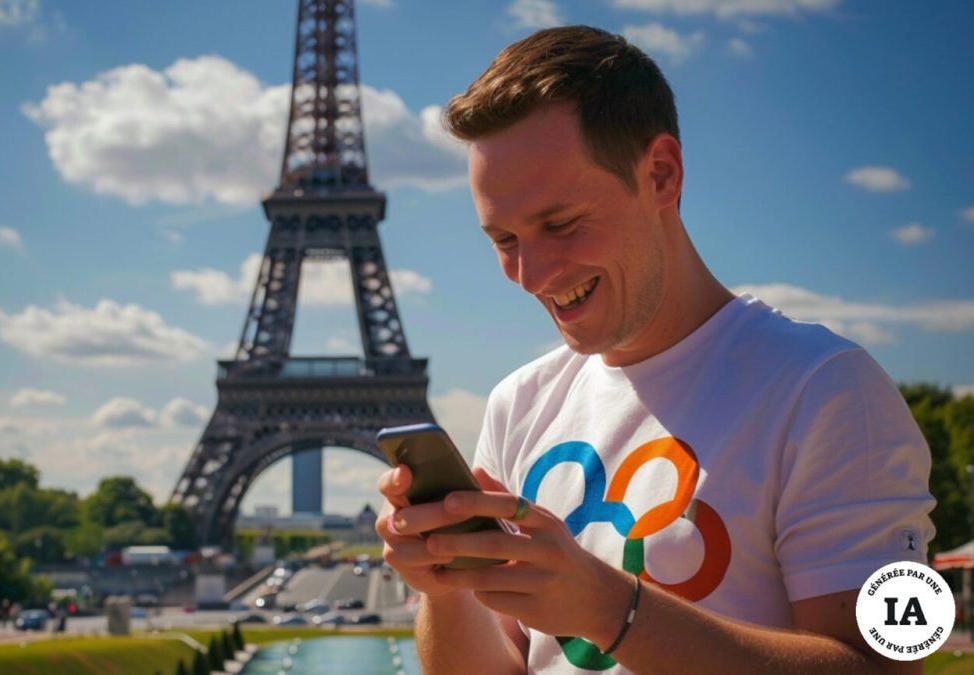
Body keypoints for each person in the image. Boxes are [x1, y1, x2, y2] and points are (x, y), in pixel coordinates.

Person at [376, 25, 935, 675]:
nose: (529, 274)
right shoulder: (516, 404)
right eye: (504, 239)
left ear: (661, 174)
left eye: (559, 224)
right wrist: (444, 589)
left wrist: (611, 609)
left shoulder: (831, 389)